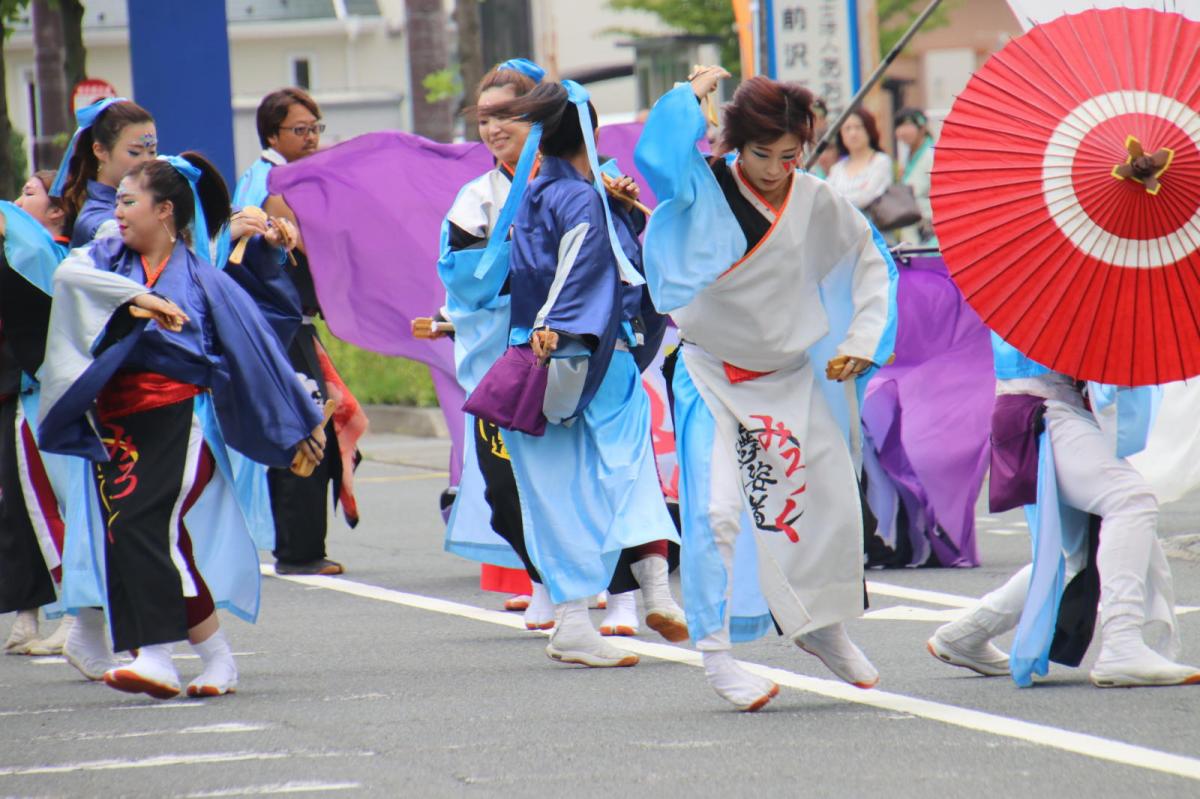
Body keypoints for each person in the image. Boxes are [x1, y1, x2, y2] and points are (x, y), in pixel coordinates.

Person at [635, 68, 896, 711]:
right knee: (717, 514)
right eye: (761, 153)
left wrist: (861, 339)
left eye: (790, 154)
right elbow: (660, 159)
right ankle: (718, 657)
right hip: (712, 376)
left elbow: (870, 262)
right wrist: (686, 101)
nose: (777, 168)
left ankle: (823, 628)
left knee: (825, 513)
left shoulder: (816, 199)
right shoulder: (703, 188)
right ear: (732, 144)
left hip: (788, 381)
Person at [37, 153, 325, 699]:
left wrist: (297, 421)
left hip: (176, 424)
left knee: (145, 530)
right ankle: (217, 659)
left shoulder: (201, 278)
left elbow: (257, 346)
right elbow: (68, 274)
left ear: (164, 210)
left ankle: (155, 657)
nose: (117, 212)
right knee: (142, 538)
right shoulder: (106, 256)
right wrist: (136, 298)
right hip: (114, 427)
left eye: (129, 201)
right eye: (118, 201)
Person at [482, 79, 683, 667]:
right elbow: (602, 269)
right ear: (591, 132)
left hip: (530, 360)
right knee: (629, 471)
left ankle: (573, 619)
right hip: (597, 352)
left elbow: (496, 277)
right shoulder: (583, 198)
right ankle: (654, 589)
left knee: (551, 494)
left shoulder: (532, 196)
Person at [927, 335, 1200, 688]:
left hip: (1043, 408)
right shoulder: (1047, 288)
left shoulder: (1054, 286)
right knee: (1129, 499)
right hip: (1042, 408)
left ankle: (966, 634)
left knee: (1075, 554)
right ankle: (1122, 645)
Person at [234, 87, 364, 576]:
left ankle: (301, 545)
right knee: (303, 429)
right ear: (272, 133)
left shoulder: (281, 177)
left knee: (318, 423)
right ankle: (299, 550)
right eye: (299, 129)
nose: (311, 138)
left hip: (290, 326)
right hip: (277, 329)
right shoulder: (266, 182)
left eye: (315, 128)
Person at [0, 173, 73, 654]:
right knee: (18, 512)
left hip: (37, 395)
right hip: (15, 395)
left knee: (49, 507)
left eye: (30, 193)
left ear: (56, 211)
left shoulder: (54, 256)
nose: (16, 201)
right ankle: (27, 613)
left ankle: (76, 612)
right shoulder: (22, 255)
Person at [53, 98, 157, 247]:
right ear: (100, 150)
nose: (147, 162)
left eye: (152, 151)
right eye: (135, 152)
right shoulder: (99, 222)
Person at [825, 107, 893, 212]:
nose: (853, 133)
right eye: (847, 128)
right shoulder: (837, 169)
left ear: (869, 129)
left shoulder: (880, 161)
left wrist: (838, 202)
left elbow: (866, 198)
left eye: (858, 127)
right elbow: (827, 199)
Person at [893, 108, 935, 244]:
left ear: (922, 127)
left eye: (908, 125)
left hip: (929, 228)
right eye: (900, 125)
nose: (903, 130)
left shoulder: (931, 155)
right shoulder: (907, 157)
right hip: (912, 228)